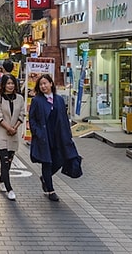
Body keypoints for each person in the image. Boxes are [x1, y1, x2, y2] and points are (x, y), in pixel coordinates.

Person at [28, 74, 79, 202]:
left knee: (61, 159)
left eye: (45, 83)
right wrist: (37, 132)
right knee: (47, 162)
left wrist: (68, 134)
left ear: (51, 83)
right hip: (44, 136)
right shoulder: (37, 100)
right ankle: (51, 190)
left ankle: (45, 177)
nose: (43, 86)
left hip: (59, 136)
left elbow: (64, 118)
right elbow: (32, 118)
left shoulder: (59, 100)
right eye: (41, 84)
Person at [0, 74, 26, 201]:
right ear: (3, 85)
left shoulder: (20, 98)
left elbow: (22, 114)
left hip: (14, 135)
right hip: (1, 134)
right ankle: (10, 189)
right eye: (8, 83)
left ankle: (1, 180)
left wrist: (15, 127)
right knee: (4, 162)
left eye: (12, 83)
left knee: (9, 163)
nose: (10, 86)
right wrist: (8, 128)